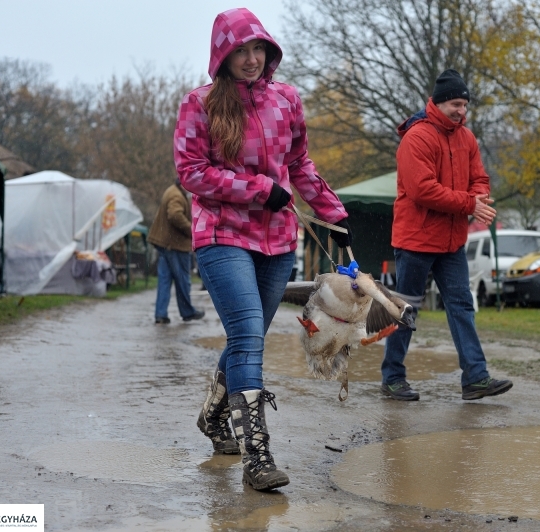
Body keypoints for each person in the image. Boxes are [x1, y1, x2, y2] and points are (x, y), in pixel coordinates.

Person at [174, 8, 352, 491]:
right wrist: (257, 189)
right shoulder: (200, 104)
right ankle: (257, 456)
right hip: (222, 235)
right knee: (250, 335)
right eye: (241, 51)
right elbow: (191, 171)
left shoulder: (286, 99)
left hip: (277, 240)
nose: (251, 59)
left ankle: (214, 414)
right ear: (222, 55)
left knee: (245, 338)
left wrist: (334, 214)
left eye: (259, 49)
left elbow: (300, 163)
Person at [380, 69, 513, 402]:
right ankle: (392, 377)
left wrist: (479, 196)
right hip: (416, 239)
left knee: (462, 306)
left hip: (452, 241)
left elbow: (480, 178)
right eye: (456, 104)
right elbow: (422, 190)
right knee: (407, 309)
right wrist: (470, 204)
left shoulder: (466, 138)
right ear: (438, 102)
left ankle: (476, 378)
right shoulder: (417, 137)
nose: (461, 111)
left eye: (465, 105)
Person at [148, 179, 205, 325]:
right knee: (183, 280)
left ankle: (161, 314)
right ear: (183, 184)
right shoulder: (177, 195)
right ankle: (187, 312)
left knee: (165, 280)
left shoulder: (171, 191)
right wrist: (192, 230)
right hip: (175, 245)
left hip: (165, 244)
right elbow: (175, 215)